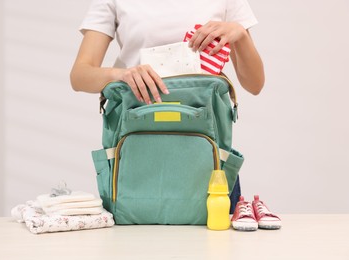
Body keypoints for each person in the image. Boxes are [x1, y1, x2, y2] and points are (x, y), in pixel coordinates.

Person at [70, 0, 265, 213]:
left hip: (210, 171)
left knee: (216, 244)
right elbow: (79, 76)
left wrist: (241, 35)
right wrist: (121, 75)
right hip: (135, 166)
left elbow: (254, 84)